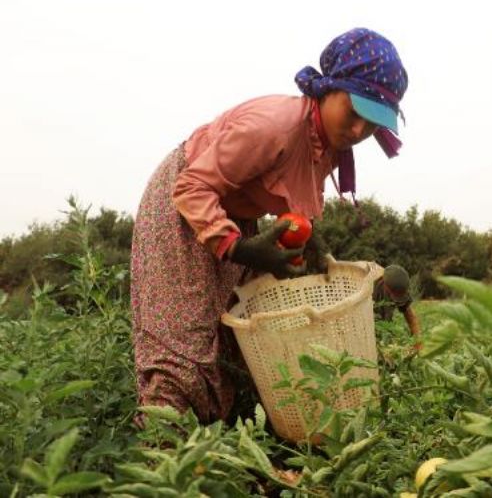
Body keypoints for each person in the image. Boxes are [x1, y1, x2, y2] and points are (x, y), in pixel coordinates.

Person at [130, 28, 409, 424]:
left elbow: (293, 202)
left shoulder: (326, 143)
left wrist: (312, 242)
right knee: (184, 337)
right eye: (355, 114)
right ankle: (160, 461)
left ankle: (219, 451)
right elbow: (192, 186)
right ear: (330, 90)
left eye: (372, 124)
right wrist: (241, 248)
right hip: (184, 204)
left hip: (231, 214)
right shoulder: (274, 126)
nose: (358, 132)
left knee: (234, 330)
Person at [372, 265, 421, 351]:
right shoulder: (371, 288)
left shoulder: (399, 287)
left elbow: (411, 318)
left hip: (386, 333)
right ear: (385, 285)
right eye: (394, 294)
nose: (396, 298)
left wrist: (418, 342)